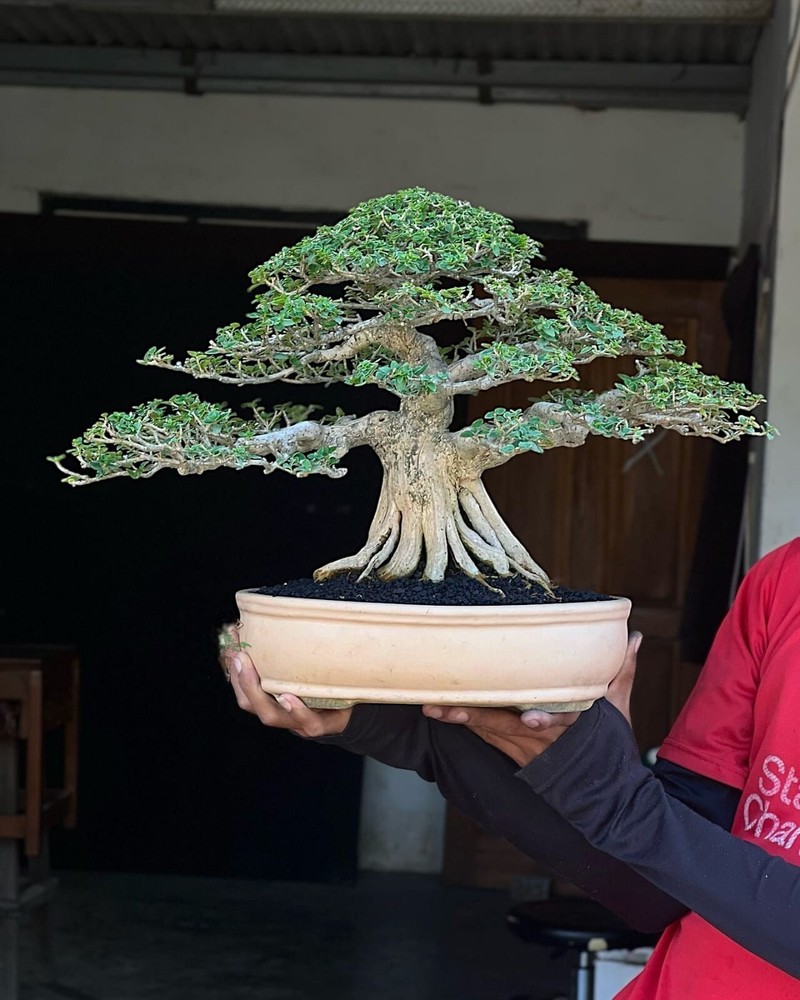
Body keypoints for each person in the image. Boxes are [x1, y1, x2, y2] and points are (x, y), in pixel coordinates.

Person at [222, 536, 800, 998]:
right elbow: (658, 889)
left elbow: (635, 818)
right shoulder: (783, 583)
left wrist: (616, 795)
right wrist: (420, 729)